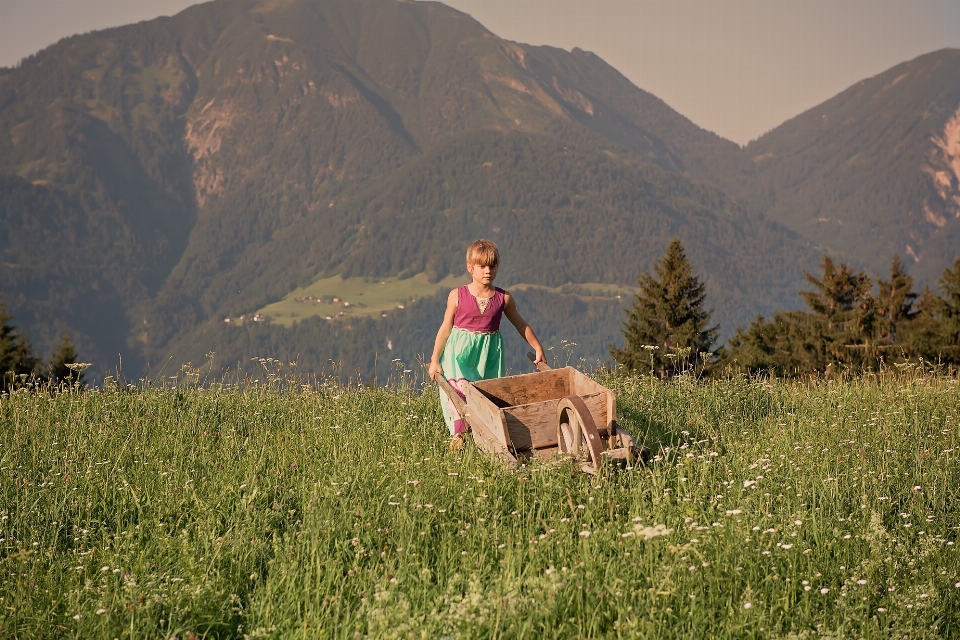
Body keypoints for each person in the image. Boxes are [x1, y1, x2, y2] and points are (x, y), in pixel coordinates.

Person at [429, 239, 545, 436]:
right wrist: (434, 360)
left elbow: (521, 324)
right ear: (470, 268)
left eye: (492, 266)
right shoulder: (457, 295)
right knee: (459, 392)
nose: (487, 271)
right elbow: (445, 328)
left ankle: (483, 436)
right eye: (481, 266)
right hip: (459, 354)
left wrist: (538, 348)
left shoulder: (503, 298)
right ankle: (459, 436)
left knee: (487, 396)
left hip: (489, 357)